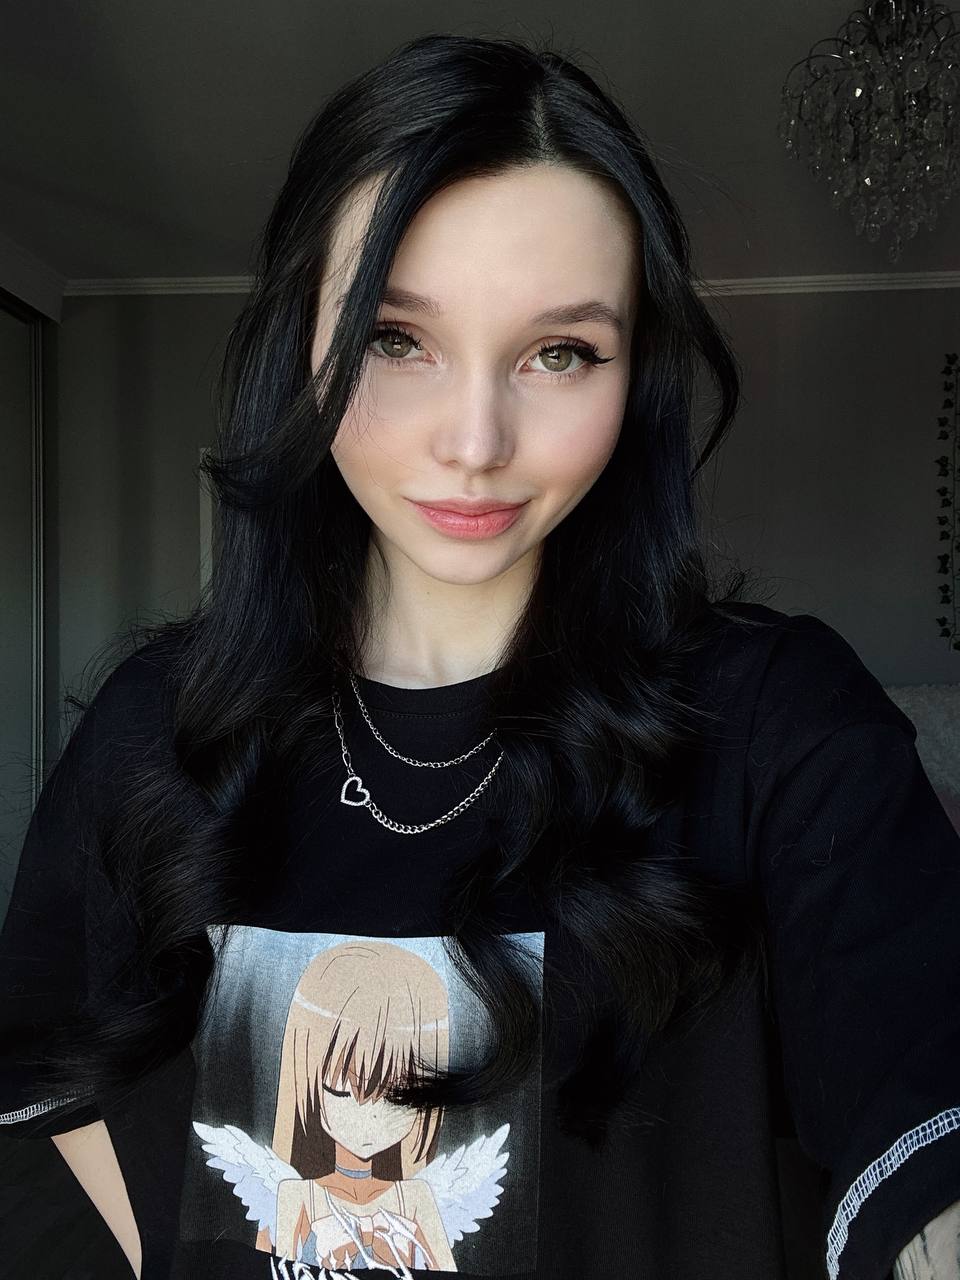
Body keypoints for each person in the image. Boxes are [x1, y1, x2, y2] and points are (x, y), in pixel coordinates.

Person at [1, 30, 958, 1280]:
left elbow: (921, 1088)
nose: (474, 440)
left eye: (560, 352)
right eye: (396, 338)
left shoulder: (777, 721)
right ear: (304, 341)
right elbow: (40, 1084)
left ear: (634, 371)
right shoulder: (152, 723)